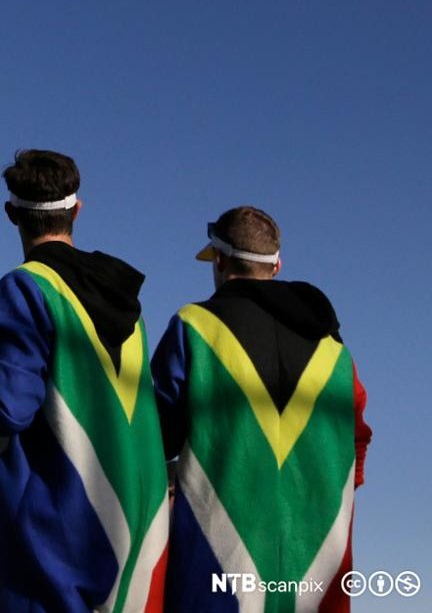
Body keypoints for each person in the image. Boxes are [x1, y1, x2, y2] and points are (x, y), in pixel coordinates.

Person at [0, 150, 167, 612]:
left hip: (56, 529)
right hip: (136, 527)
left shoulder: (24, 287)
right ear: (77, 209)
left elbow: (10, 407)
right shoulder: (131, 309)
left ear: (11, 213)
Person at [151, 207, 371, 611]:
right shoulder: (335, 351)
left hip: (216, 567)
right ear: (277, 266)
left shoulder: (194, 326)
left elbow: (155, 441)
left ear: (219, 261)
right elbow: (358, 445)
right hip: (318, 572)